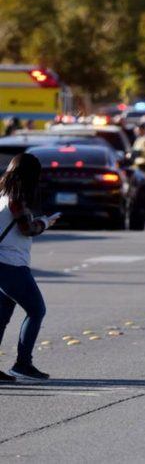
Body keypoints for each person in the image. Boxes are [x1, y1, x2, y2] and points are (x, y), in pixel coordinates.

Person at [0, 154, 60, 382]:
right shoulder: (16, 198)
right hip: (11, 265)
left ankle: (20, 365)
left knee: (2, 316)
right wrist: (45, 222)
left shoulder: (3, 195)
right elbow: (28, 229)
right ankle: (23, 364)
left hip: (4, 264)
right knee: (36, 310)